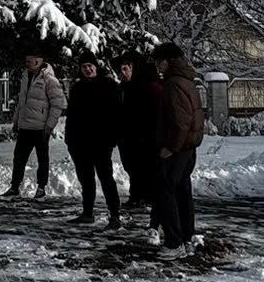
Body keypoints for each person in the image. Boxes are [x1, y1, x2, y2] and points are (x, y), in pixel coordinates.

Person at [152, 42, 206, 254]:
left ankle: (173, 242)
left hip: (178, 147)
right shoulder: (186, 80)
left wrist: (171, 147)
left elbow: (180, 120)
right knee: (183, 191)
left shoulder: (173, 83)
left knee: (166, 191)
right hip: (188, 146)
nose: (158, 66)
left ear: (169, 60)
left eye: (159, 61)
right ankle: (186, 236)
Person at [64, 58, 123, 227]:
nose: (87, 69)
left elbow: (117, 113)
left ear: (96, 67)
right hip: (80, 142)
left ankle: (114, 214)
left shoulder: (109, 85)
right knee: (86, 179)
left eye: (90, 66)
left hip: (102, 141)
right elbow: (72, 115)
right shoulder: (77, 88)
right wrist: (70, 139)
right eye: (84, 66)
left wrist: (113, 137)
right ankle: (87, 212)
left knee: (106, 178)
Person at [7, 52, 66, 198]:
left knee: (42, 159)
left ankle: (41, 188)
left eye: (29, 61)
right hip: (25, 126)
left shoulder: (49, 80)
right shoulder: (26, 77)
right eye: (26, 60)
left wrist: (49, 126)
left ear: (38, 61)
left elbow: (57, 104)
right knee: (19, 158)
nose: (26, 64)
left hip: (41, 128)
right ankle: (14, 187)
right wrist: (16, 121)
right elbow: (21, 102)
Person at [117, 52, 162, 210]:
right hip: (128, 136)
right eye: (121, 69)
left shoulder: (148, 86)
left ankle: (147, 197)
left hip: (145, 136)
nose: (123, 73)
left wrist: (149, 135)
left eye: (126, 68)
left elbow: (154, 113)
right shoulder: (124, 86)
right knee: (132, 167)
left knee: (144, 168)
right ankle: (136, 196)